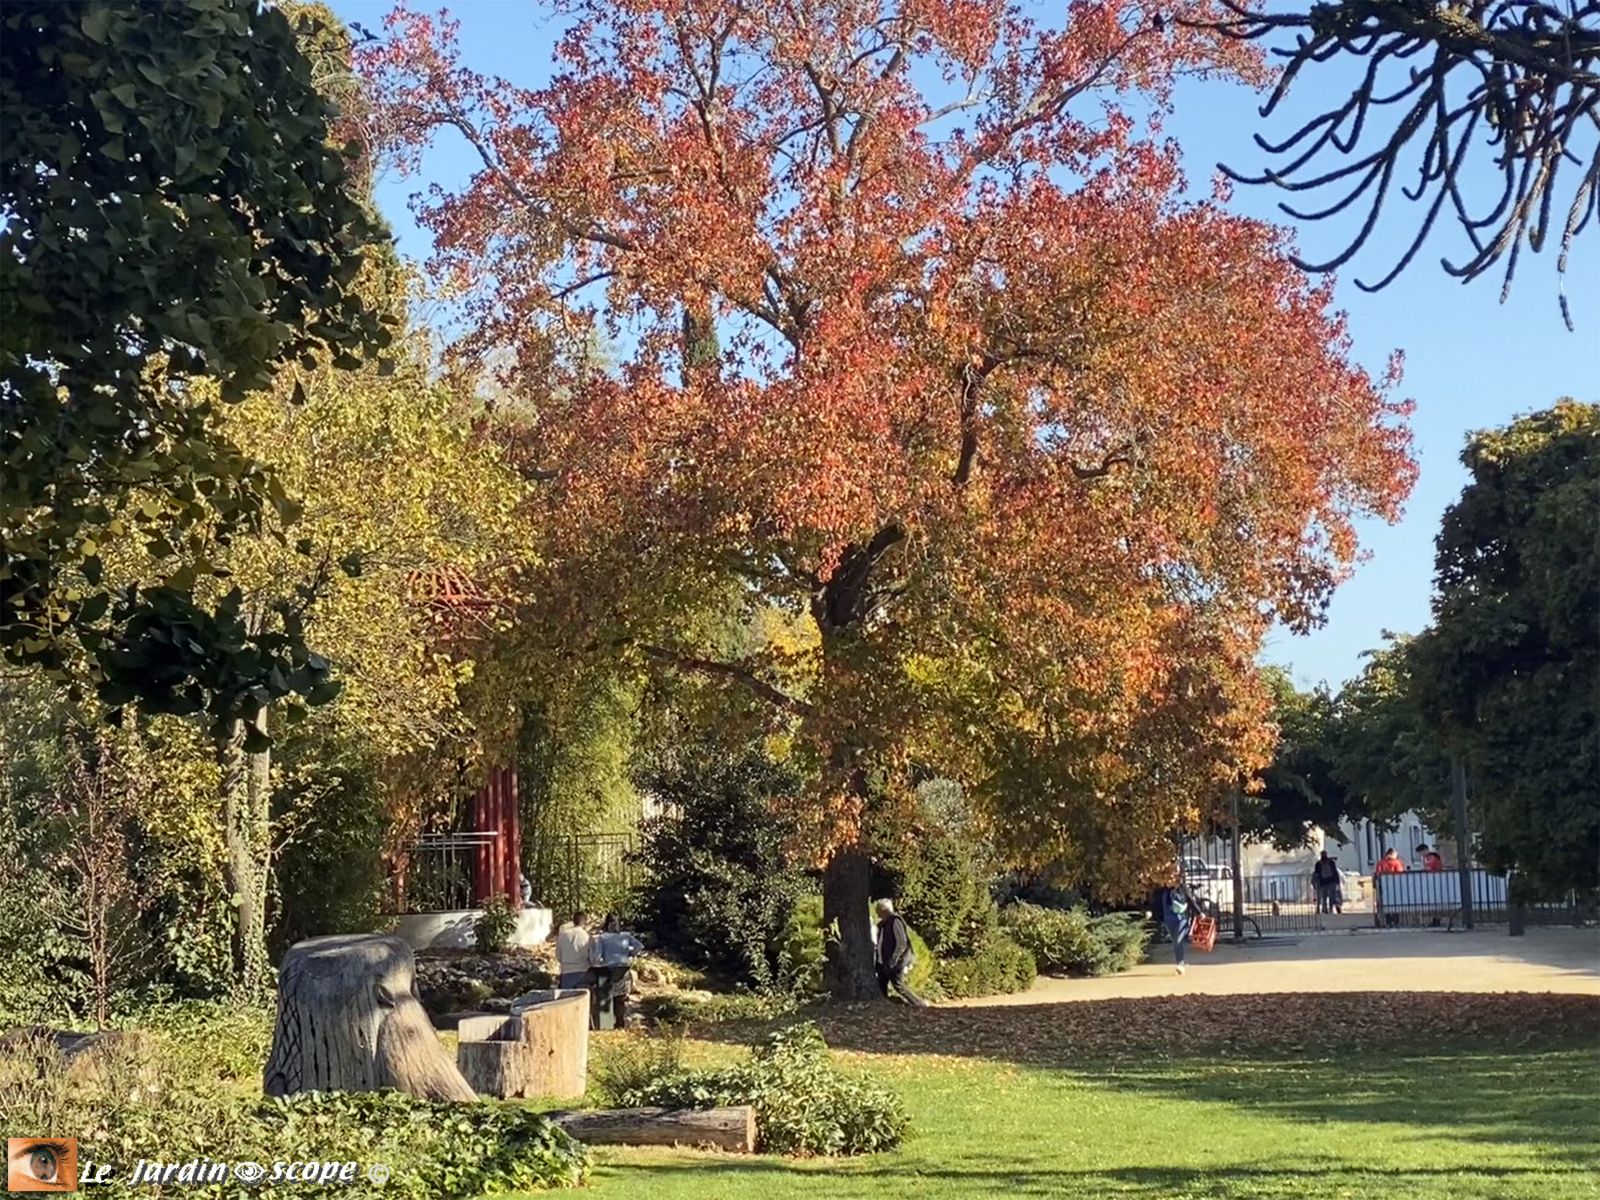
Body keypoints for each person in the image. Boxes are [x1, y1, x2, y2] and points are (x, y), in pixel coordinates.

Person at [592, 913, 645, 1028]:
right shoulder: (626, 936)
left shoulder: (602, 938)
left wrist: (599, 963)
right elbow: (639, 946)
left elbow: (597, 957)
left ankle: (606, 1025)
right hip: (623, 970)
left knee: (606, 999)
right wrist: (629, 953)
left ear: (607, 924)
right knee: (620, 999)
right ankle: (620, 1023)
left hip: (607, 970)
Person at [873, 899, 928, 1007]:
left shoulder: (895, 921)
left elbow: (902, 942)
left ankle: (919, 1002)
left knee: (898, 984)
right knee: (881, 983)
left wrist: (894, 959)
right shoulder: (882, 924)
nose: (877, 913)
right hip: (883, 960)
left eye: (878, 910)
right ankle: (885, 1004)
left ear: (883, 910)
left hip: (894, 960)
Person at [1152, 877, 1196, 975]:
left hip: (1182, 919)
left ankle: (1180, 965)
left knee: (1178, 940)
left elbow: (1191, 901)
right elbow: (1157, 903)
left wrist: (1200, 913)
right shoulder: (1164, 890)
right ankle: (1180, 963)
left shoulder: (1183, 888)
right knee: (1175, 943)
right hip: (1168, 920)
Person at [555, 911, 599, 994]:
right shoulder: (587, 937)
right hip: (583, 972)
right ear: (584, 922)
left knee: (567, 998)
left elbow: (558, 955)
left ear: (573, 921)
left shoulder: (563, 935)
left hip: (566, 973)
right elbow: (592, 958)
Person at [1374, 847, 1407, 926]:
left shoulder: (1381, 863)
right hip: (1395, 886)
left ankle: (1388, 921)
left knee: (1386, 904)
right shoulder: (1397, 862)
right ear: (1392, 854)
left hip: (1383, 886)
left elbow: (1378, 873)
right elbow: (1400, 873)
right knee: (1396, 903)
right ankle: (1396, 921)